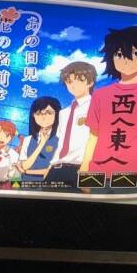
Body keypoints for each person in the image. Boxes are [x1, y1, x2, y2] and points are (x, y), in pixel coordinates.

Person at [79, 27, 137, 189]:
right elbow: (93, 137)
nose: (127, 60)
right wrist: (84, 170)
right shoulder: (100, 95)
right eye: (120, 54)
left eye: (135, 53)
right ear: (111, 58)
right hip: (98, 173)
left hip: (134, 176)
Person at [43, 61, 97, 189]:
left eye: (78, 80)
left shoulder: (96, 107)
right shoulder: (64, 113)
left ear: (90, 82)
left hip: (81, 168)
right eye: (69, 81)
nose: (73, 85)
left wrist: (86, 168)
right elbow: (61, 142)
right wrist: (50, 166)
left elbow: (97, 139)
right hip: (56, 169)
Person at [17, 96, 61, 187]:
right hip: (27, 185)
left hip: (49, 186)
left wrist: (27, 171)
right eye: (38, 113)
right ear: (33, 116)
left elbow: (53, 170)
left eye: (49, 113)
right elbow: (24, 166)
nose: (43, 117)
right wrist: (41, 144)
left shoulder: (61, 139)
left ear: (57, 114)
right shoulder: (28, 139)